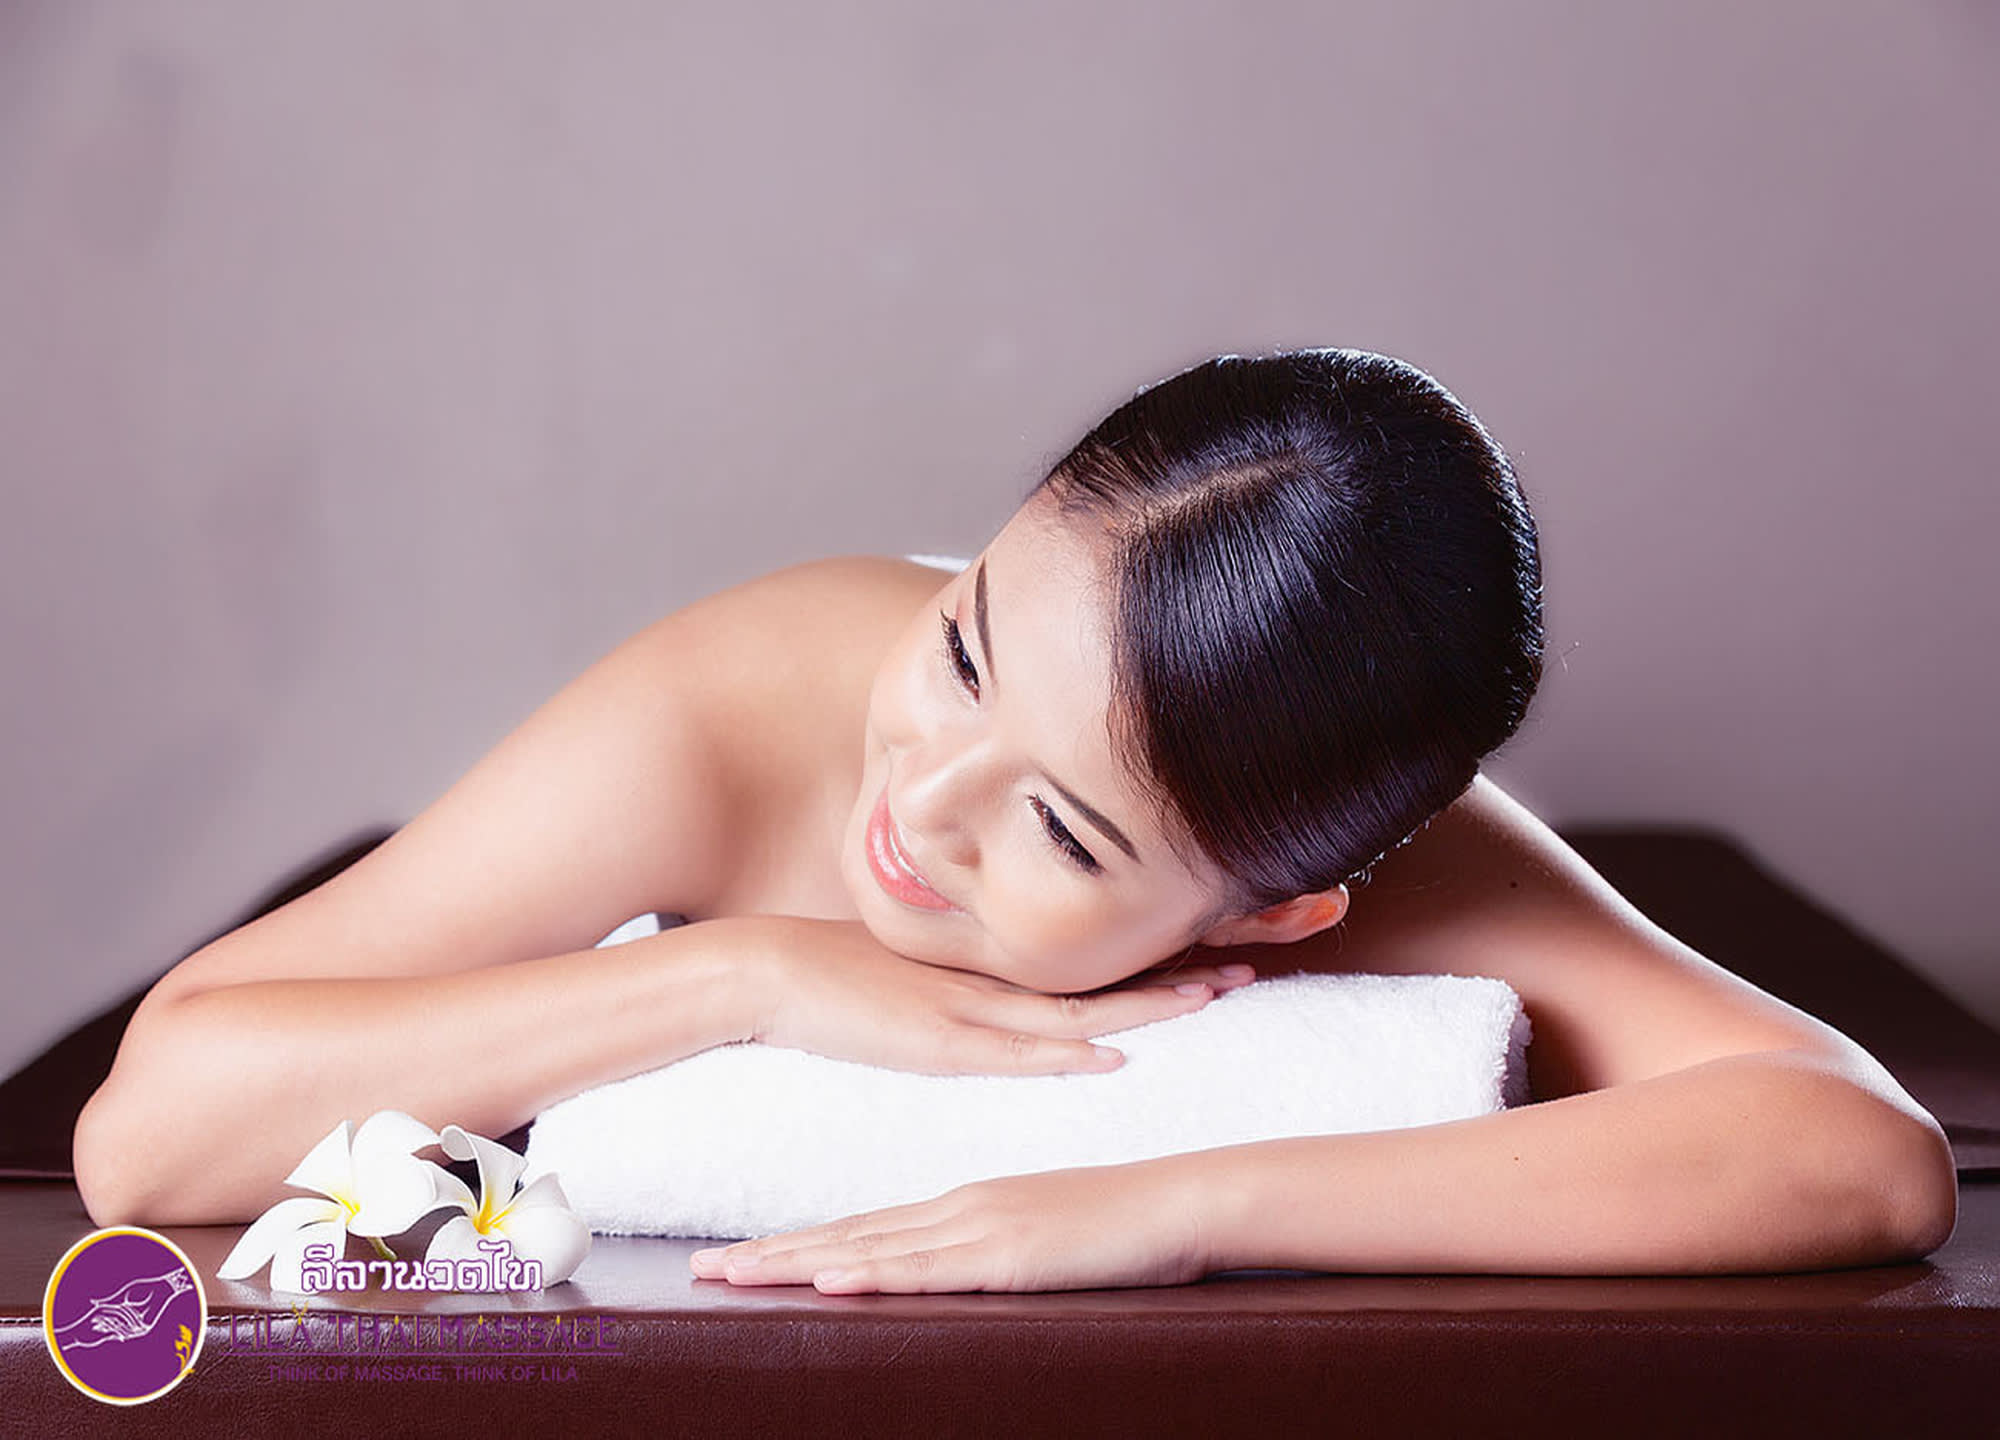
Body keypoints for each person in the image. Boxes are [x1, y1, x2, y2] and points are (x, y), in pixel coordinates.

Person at [74, 348, 1957, 1294]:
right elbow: (149, 1143)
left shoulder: (1346, 840)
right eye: (967, 644)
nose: (922, 799)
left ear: (1276, 915)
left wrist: (1180, 1206)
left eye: (1063, 832)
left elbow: (1858, 1152)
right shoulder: (741, 715)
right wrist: (740, 978)